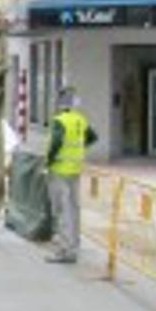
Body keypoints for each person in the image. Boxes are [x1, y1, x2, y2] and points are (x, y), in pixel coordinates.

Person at [45, 84, 97, 264]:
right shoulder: (80, 120)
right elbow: (92, 137)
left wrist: (48, 162)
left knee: (62, 210)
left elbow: (56, 143)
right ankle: (74, 244)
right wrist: (78, 150)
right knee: (74, 209)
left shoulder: (60, 121)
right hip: (75, 169)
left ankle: (65, 250)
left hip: (59, 170)